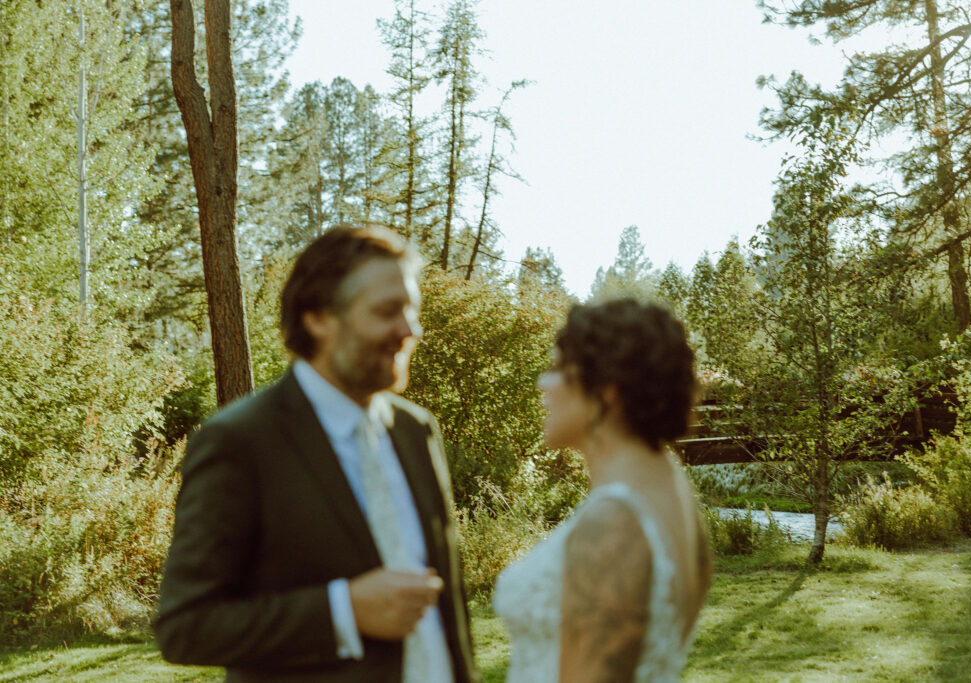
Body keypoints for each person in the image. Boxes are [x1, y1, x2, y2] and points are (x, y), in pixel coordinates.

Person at [155, 225, 478, 683]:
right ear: (318, 317)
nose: (411, 330)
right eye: (388, 311)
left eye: (412, 310)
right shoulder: (241, 441)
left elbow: (451, 617)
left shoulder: (417, 430)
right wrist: (343, 611)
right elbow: (185, 627)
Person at [492, 298, 713, 682]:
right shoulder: (671, 488)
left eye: (559, 369)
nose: (543, 383)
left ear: (607, 391)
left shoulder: (615, 523)